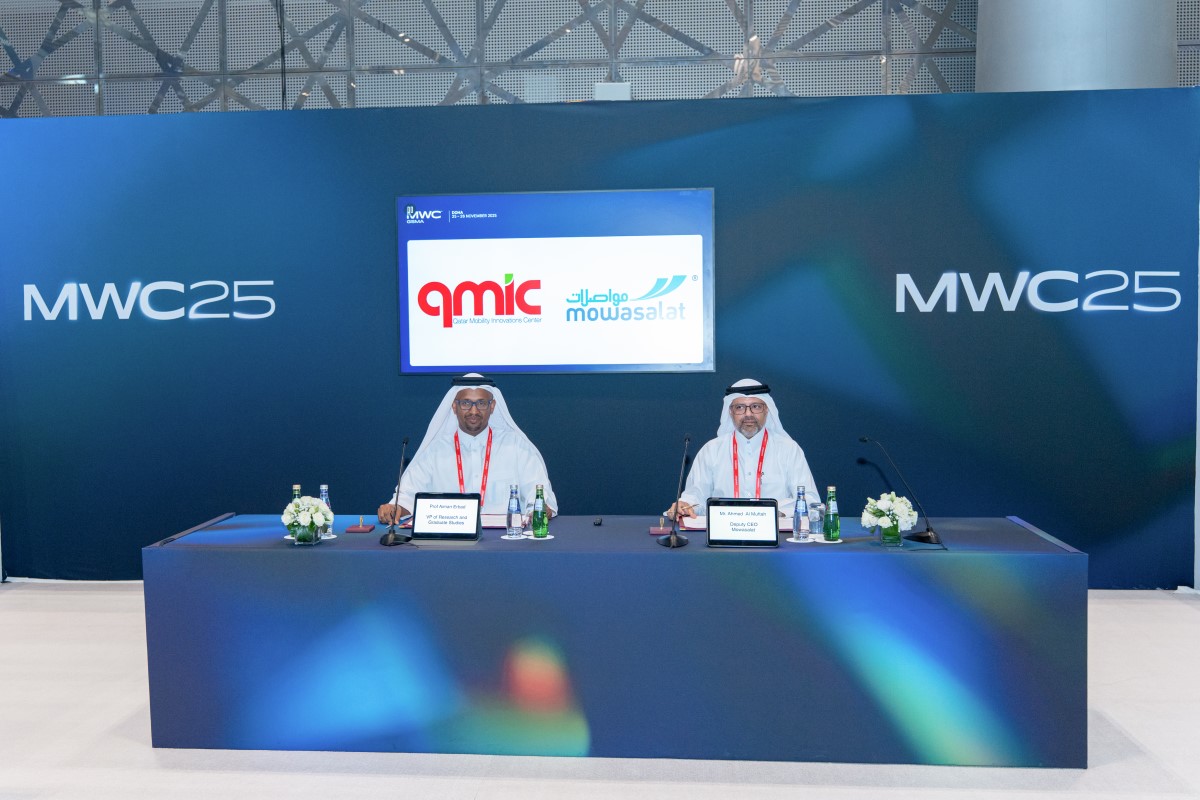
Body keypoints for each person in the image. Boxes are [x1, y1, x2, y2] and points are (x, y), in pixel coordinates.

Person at [378, 374, 558, 522]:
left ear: (492, 406)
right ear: (454, 406)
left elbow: (537, 492)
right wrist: (395, 508)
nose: (474, 411)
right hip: (450, 541)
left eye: (481, 403)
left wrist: (540, 508)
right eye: (466, 403)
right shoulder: (434, 451)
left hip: (506, 540)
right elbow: (408, 495)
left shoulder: (517, 447)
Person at [668, 378, 818, 519]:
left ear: (767, 410)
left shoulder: (789, 450)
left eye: (756, 407)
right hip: (724, 533)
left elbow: (810, 500)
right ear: (730, 411)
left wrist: (774, 512)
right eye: (740, 407)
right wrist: (685, 505)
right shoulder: (711, 450)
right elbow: (696, 496)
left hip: (776, 533)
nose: (748, 414)